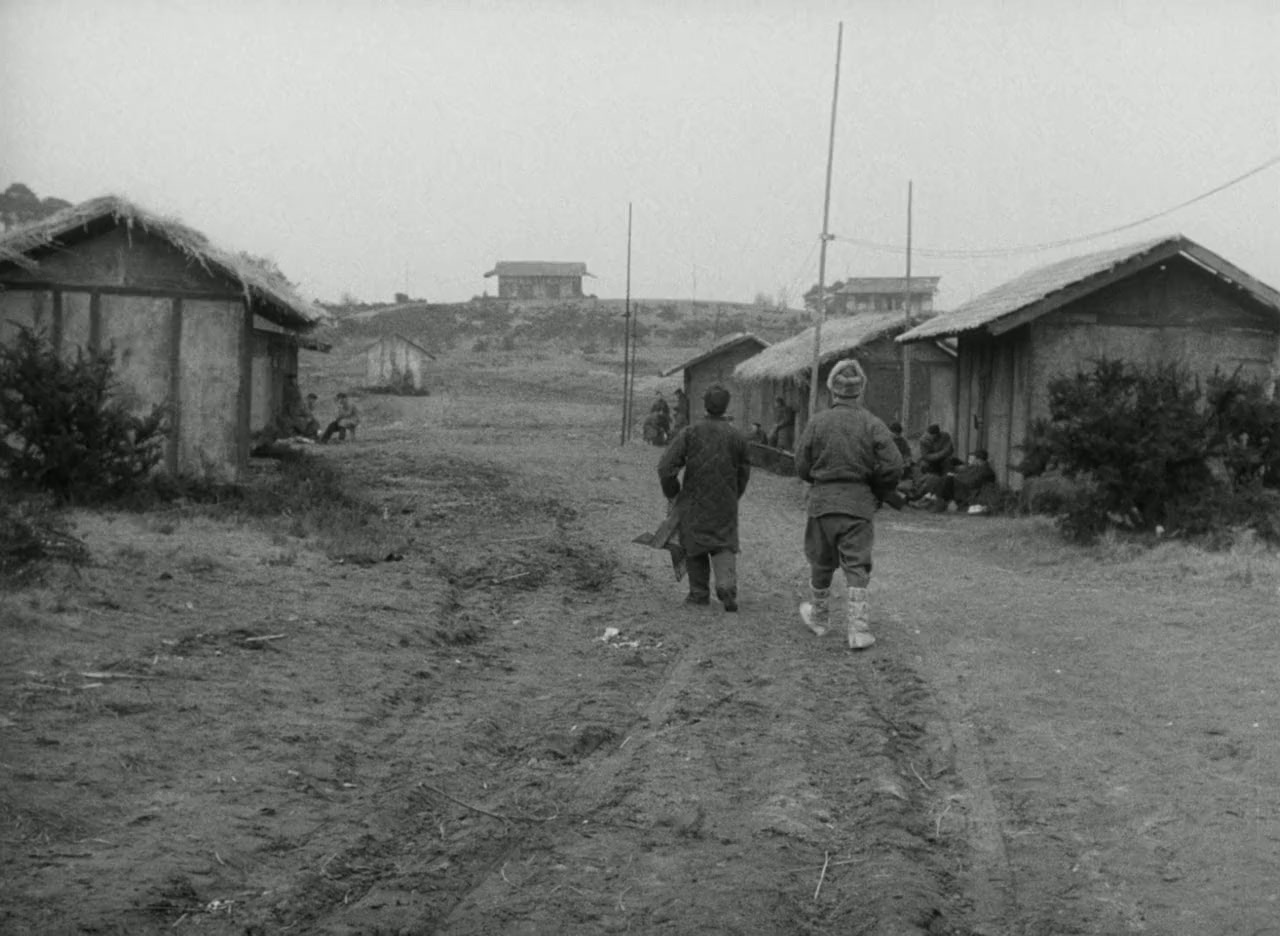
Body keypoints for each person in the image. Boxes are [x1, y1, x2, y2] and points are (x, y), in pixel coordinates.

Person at [794, 359, 903, 650]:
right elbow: (894, 465)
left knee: (821, 561)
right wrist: (876, 488)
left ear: (832, 389)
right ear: (860, 390)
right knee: (857, 564)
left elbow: (801, 465)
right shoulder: (872, 423)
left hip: (822, 504)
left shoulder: (817, 422)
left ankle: (819, 619)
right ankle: (858, 630)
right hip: (859, 506)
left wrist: (819, 479)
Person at [657, 384, 751, 612]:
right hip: (725, 503)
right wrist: (733, 495)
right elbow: (744, 472)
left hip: (694, 500)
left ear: (705, 405)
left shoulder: (690, 433)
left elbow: (665, 467)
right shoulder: (737, 437)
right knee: (724, 542)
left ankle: (698, 594)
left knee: (694, 544)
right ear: (726, 406)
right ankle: (726, 587)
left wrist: (673, 492)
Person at [919, 449, 997, 513]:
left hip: (969, 491)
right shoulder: (977, 467)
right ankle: (934, 498)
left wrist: (956, 477)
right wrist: (956, 476)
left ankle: (935, 500)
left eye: (975, 458)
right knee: (946, 478)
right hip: (965, 486)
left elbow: (972, 482)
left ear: (978, 459)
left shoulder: (985, 471)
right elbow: (966, 475)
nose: (974, 460)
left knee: (948, 479)